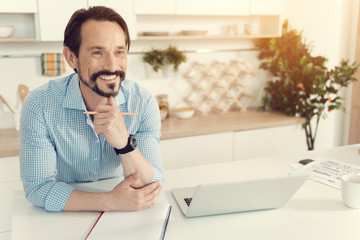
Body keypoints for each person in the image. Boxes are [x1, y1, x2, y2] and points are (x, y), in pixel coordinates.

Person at [19, 6, 163, 212]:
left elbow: (151, 185)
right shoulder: (40, 104)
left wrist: (124, 143)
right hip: (69, 214)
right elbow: (37, 187)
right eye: (98, 52)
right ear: (71, 58)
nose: (112, 65)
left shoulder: (143, 102)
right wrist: (110, 201)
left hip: (130, 211)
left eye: (119, 52)